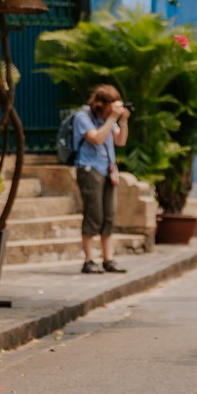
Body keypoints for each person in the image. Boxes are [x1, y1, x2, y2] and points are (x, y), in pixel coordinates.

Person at [72, 84, 131, 276]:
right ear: (100, 104)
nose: (112, 110)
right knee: (93, 214)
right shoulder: (83, 117)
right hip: (89, 170)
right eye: (110, 106)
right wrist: (112, 118)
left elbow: (120, 141)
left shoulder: (108, 119)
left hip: (108, 170)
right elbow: (96, 138)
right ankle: (89, 260)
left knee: (109, 215)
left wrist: (122, 121)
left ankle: (108, 259)